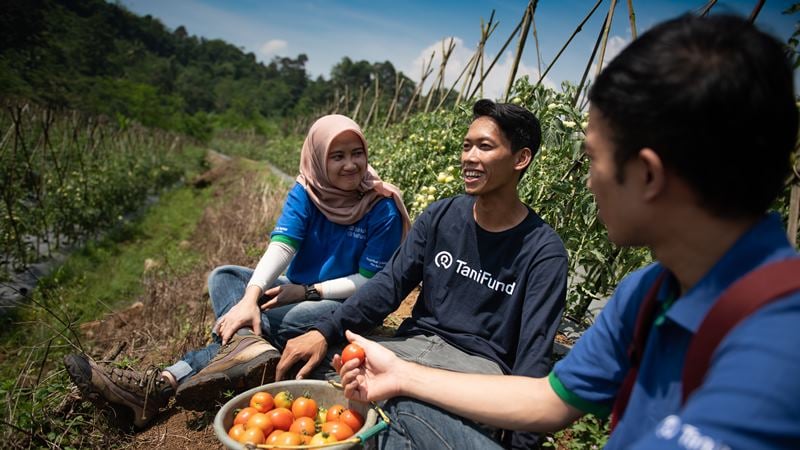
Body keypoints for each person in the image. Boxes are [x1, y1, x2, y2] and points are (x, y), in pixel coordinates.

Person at [337, 14, 800, 449]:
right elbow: (548, 400)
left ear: (647, 175)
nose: (589, 179)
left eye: (594, 158)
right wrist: (401, 374)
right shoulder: (648, 291)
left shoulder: (780, 347)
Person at [64, 114, 411, 428]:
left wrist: (307, 291)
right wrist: (250, 297)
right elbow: (283, 245)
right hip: (297, 290)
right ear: (318, 158)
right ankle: (247, 347)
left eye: (357, 153)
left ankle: (162, 384)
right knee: (226, 277)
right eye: (338, 156)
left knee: (276, 318)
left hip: (342, 306)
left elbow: (368, 282)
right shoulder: (307, 191)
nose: (351, 165)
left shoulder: (381, 207)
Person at [278, 100, 568, 448]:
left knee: (400, 409)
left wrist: (519, 443)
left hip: (474, 372)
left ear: (520, 159)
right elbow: (389, 284)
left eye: (485, 147)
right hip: (409, 349)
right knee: (315, 365)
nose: (469, 157)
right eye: (466, 145)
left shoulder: (543, 251)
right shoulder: (441, 216)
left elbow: (534, 352)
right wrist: (324, 332)